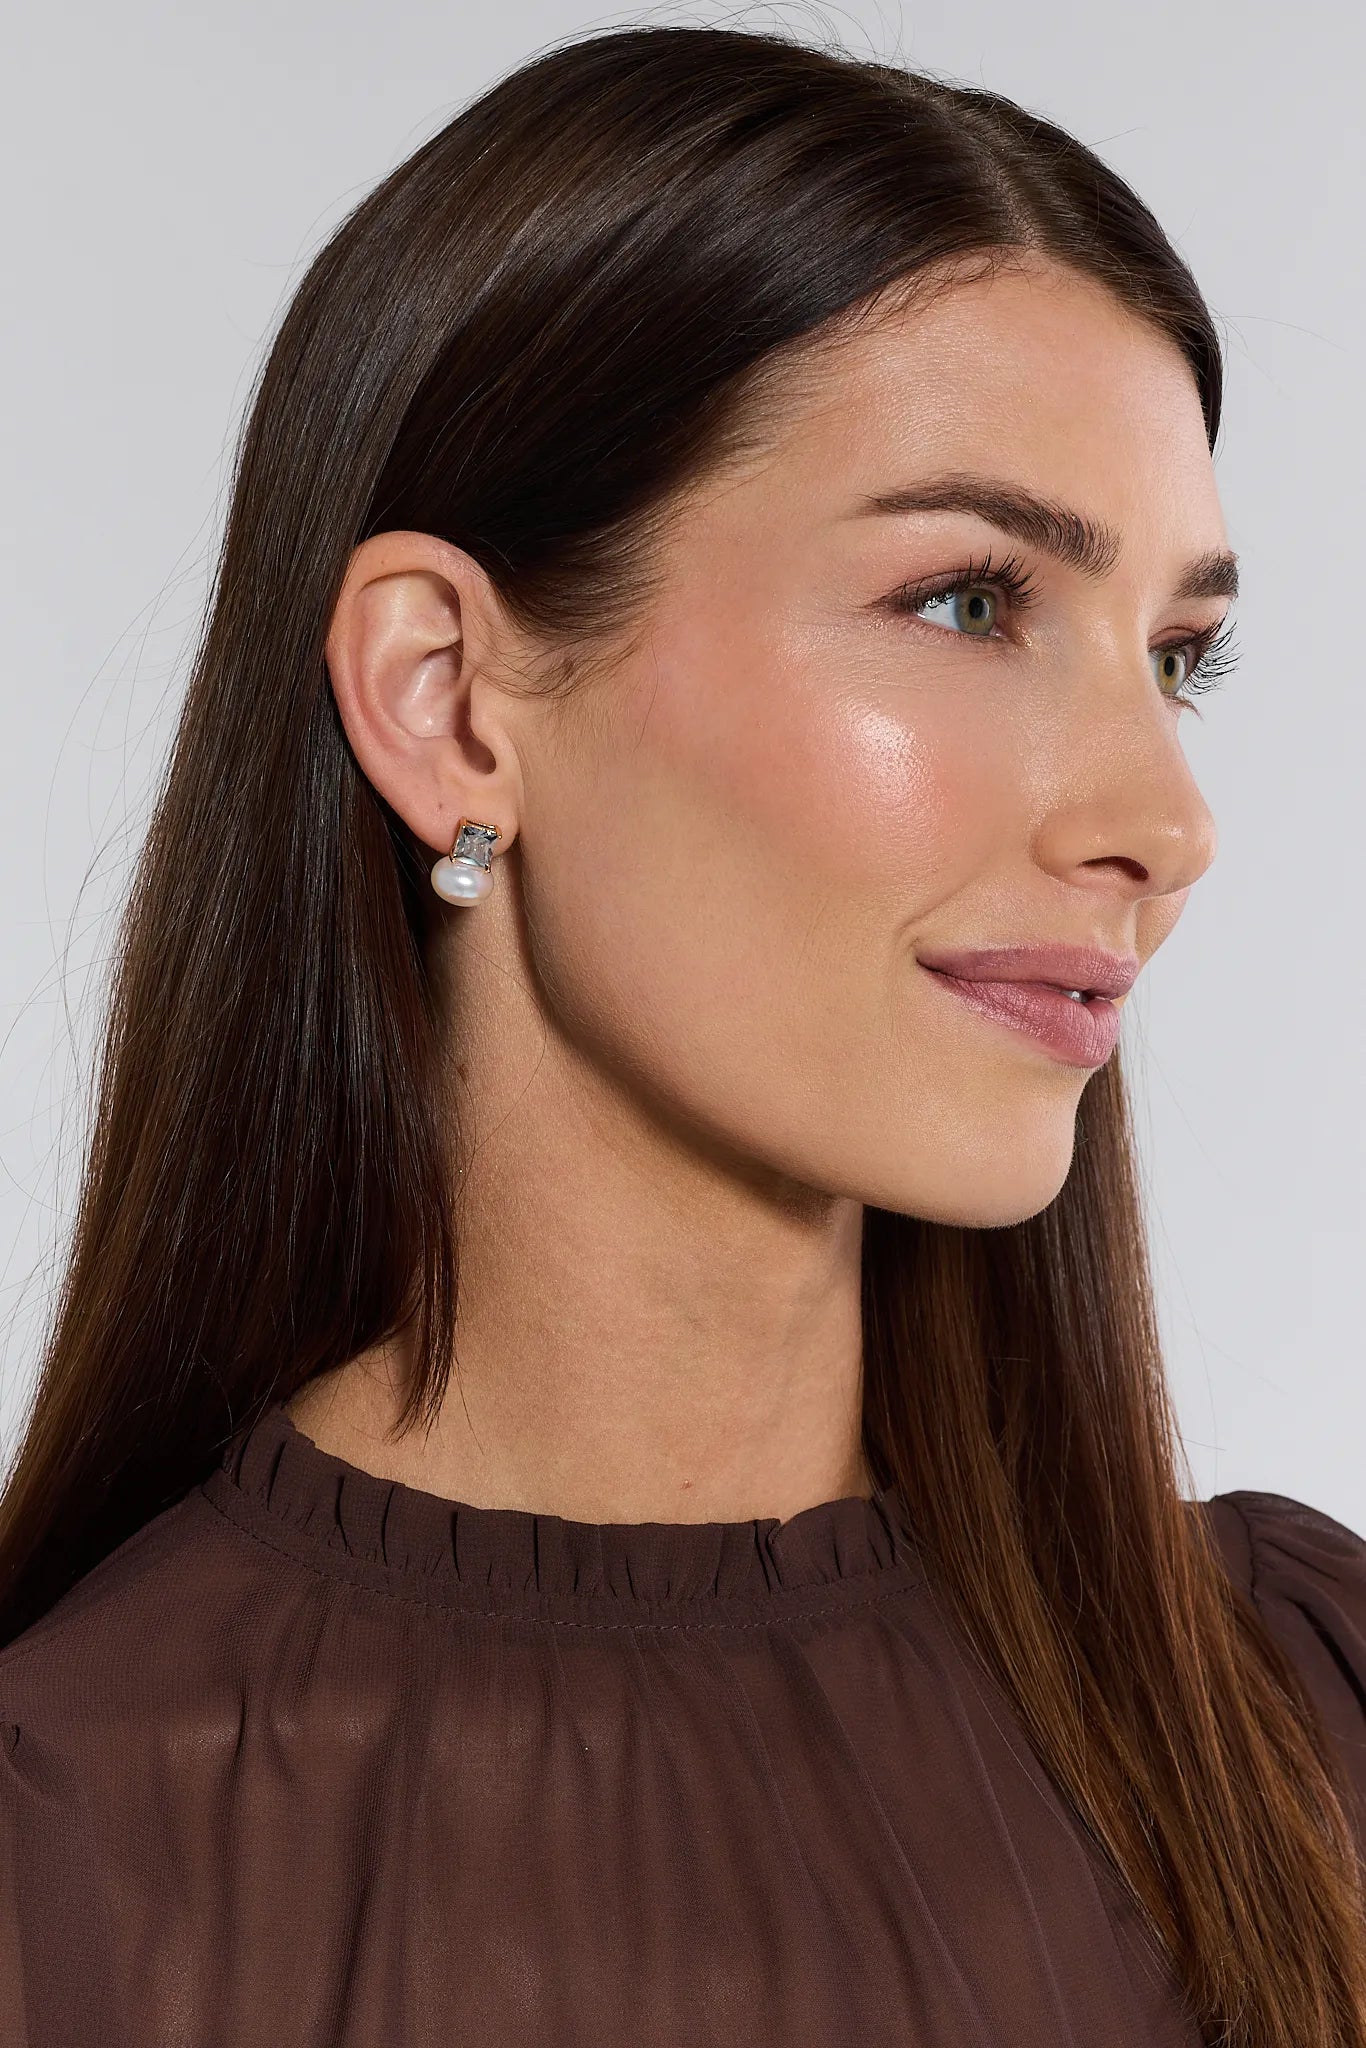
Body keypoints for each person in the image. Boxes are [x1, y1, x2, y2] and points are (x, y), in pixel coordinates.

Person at [0, 23, 1362, 2047]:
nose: (1160, 825)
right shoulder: (74, 1845)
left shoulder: (1301, 1717)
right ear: (450, 699)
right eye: (970, 601)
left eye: (1179, 656)